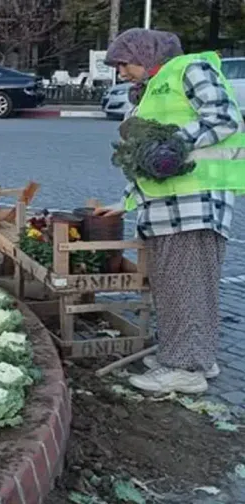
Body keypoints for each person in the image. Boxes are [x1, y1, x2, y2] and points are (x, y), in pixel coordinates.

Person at [95, 28, 245, 394]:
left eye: (124, 63)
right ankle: (196, 356)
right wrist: (125, 202)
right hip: (170, 208)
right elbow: (146, 162)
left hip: (194, 204)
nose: (121, 72)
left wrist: (173, 143)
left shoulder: (190, 68)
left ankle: (184, 368)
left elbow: (224, 116)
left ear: (145, 54)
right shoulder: (151, 89)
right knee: (182, 287)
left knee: (185, 288)